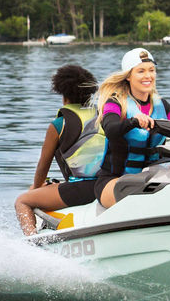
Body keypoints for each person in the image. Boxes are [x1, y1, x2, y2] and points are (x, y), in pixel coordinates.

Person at [14, 64, 106, 235]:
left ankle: (31, 242)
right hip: (106, 184)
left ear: (64, 96)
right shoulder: (104, 115)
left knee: (22, 201)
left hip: (81, 190)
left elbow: (43, 167)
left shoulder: (58, 125)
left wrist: (36, 188)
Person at [93, 48, 170, 209]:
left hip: (152, 180)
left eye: (151, 70)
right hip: (113, 181)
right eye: (141, 71)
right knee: (141, 192)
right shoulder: (115, 103)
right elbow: (110, 129)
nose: (148, 76)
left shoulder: (163, 105)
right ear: (128, 76)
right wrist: (133, 121)